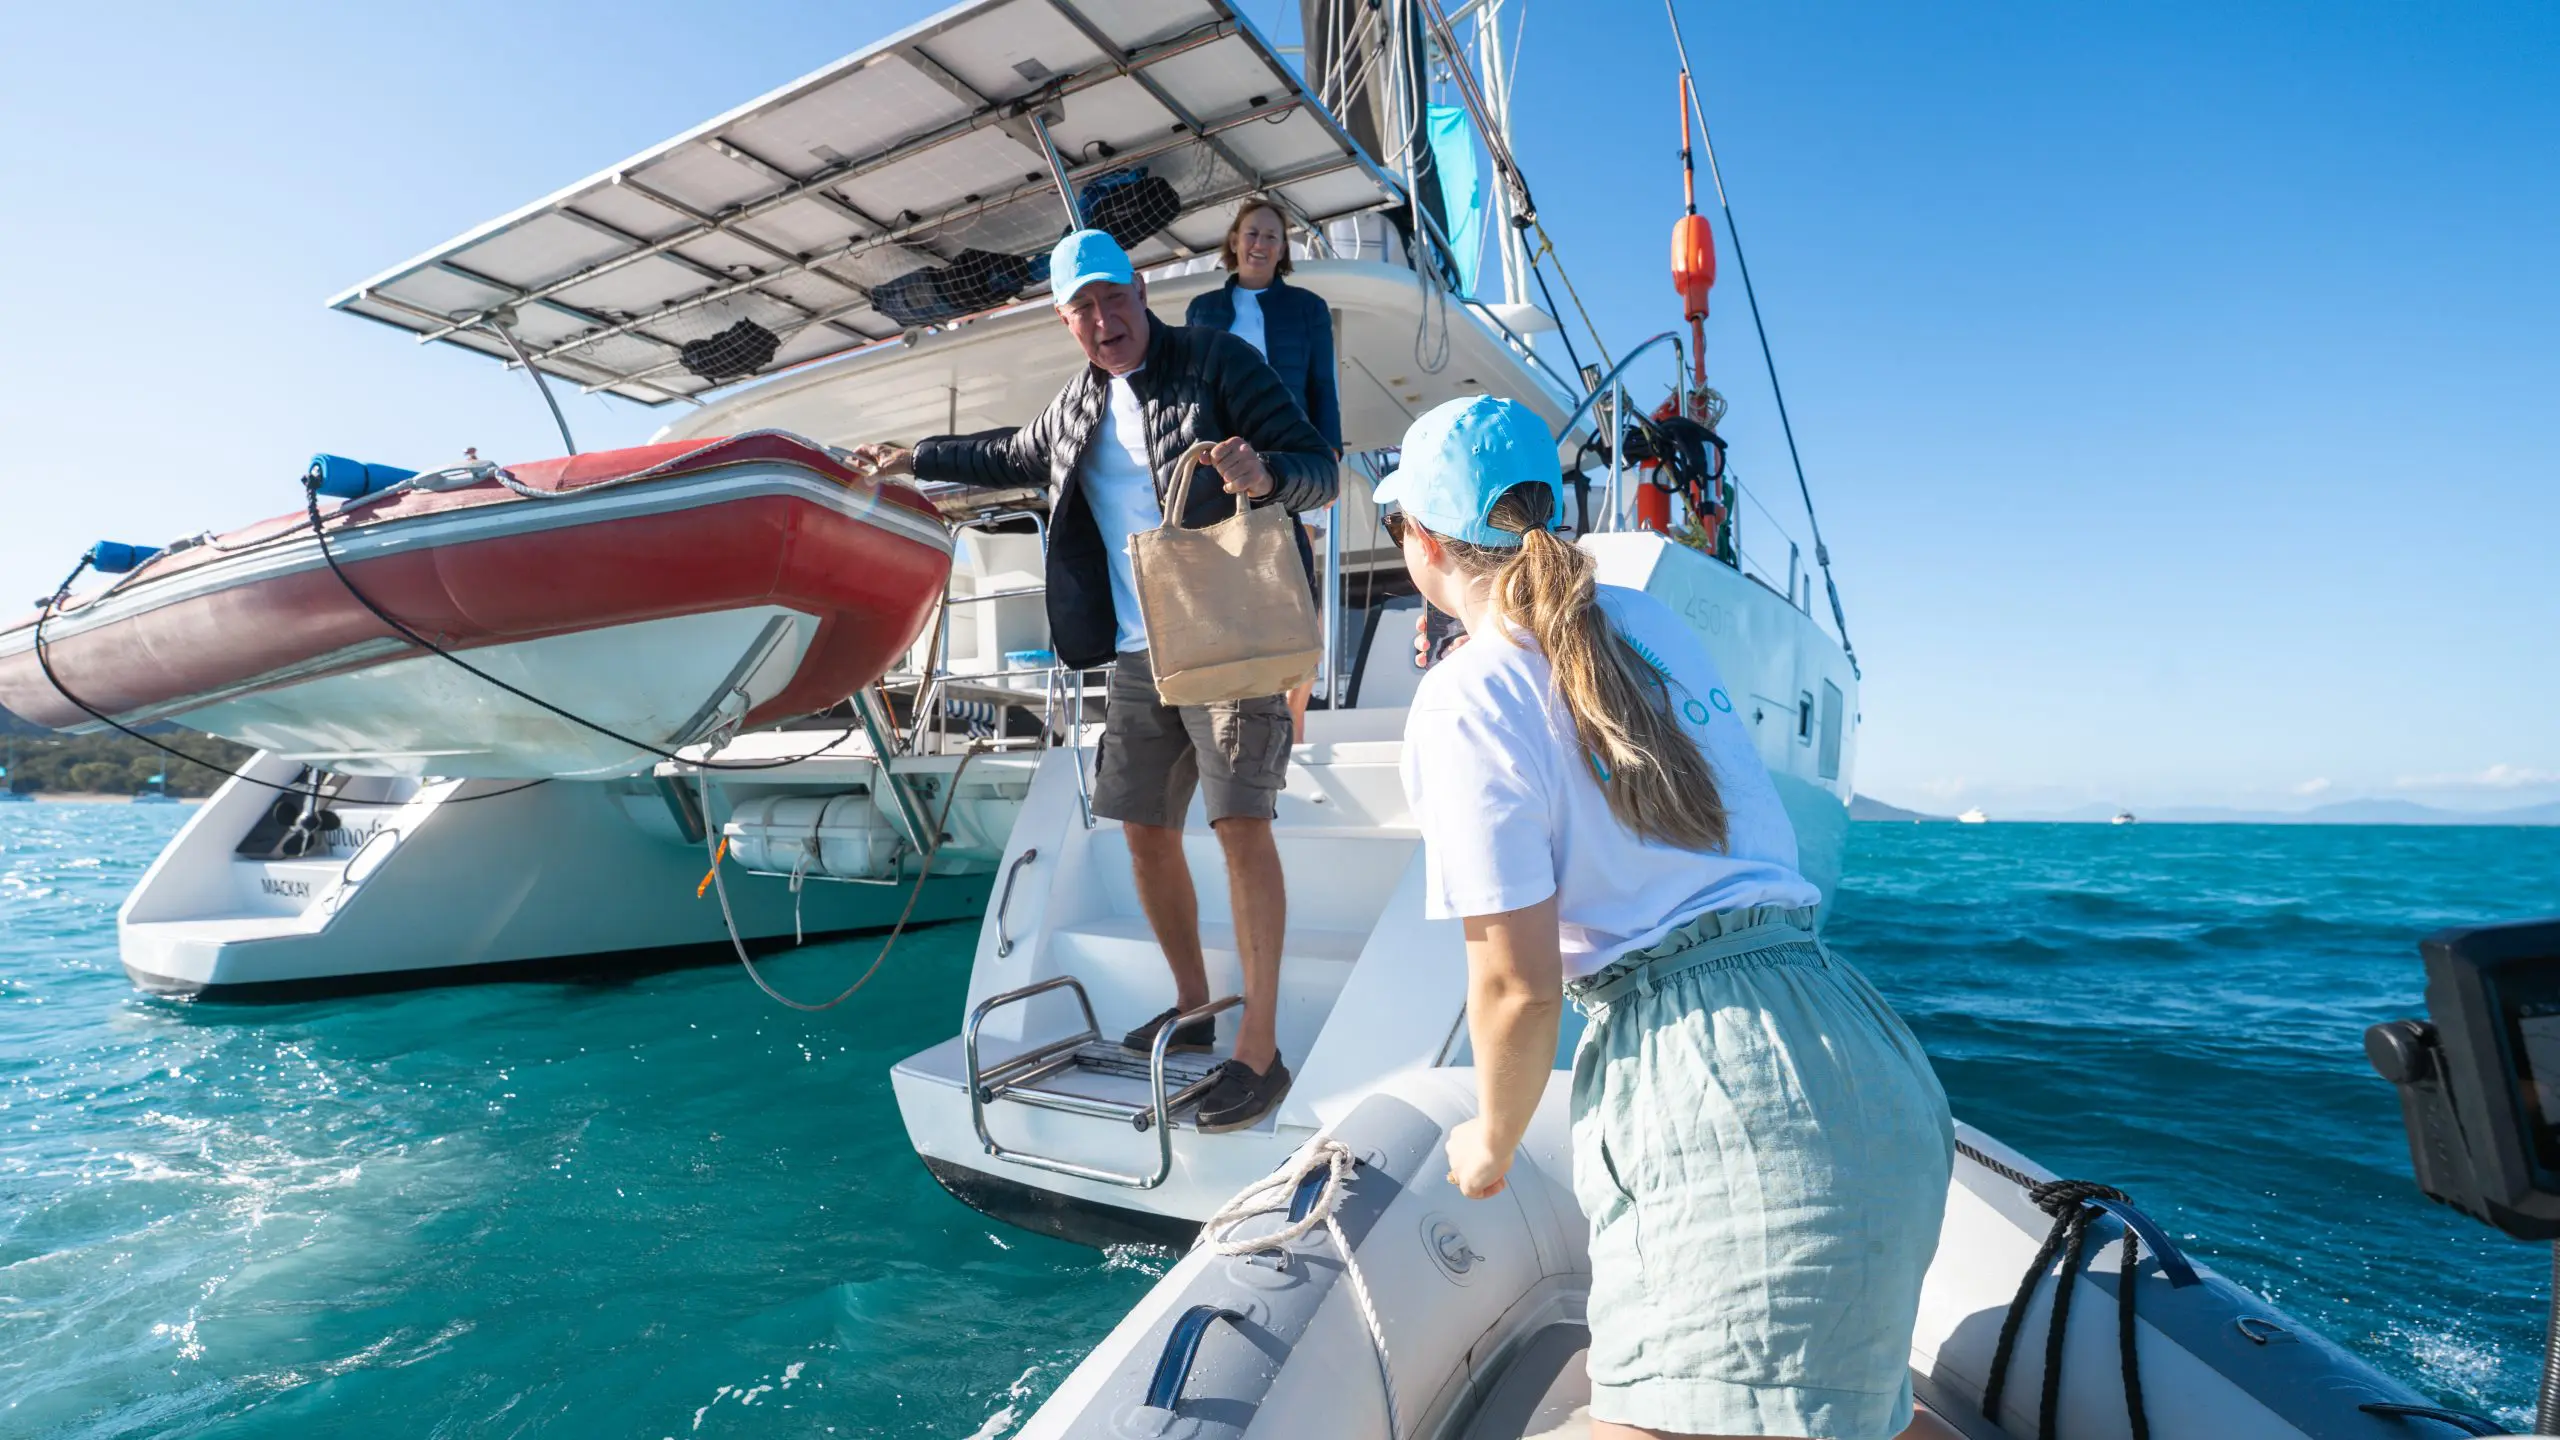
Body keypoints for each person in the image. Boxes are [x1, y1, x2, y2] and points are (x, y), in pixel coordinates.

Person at [1379, 394, 1956, 1440]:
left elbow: (1516, 986)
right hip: (1862, 1050)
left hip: (1721, 1093)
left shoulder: (1467, 696)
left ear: (1419, 540)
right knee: (1859, 1419)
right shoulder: (1650, 625)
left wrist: (1490, 1144)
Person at [850, 229, 1336, 1134]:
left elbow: (1321, 471)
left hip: (1229, 640)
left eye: (1114, 297)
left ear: (1140, 291)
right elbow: (1006, 453)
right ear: (1065, 321)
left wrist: (1267, 473)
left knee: (1240, 826)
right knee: (1142, 830)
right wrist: (914, 455)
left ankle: (1259, 1050)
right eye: (1083, 308)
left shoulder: (1217, 362)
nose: (1104, 318)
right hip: (1138, 651)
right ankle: (1195, 1008)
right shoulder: (1075, 406)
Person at [1184, 196, 1341, 739]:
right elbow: (1192, 390)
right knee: (1233, 581)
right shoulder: (1203, 309)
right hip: (1221, 462)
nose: (1260, 243)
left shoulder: (1308, 309)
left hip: (1290, 458)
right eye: (1252, 233)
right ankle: (1235, 711)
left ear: (1282, 249)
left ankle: (1293, 720)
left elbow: (1322, 385)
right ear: (1234, 241)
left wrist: (1329, 455)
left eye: (1272, 236)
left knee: (1295, 587)